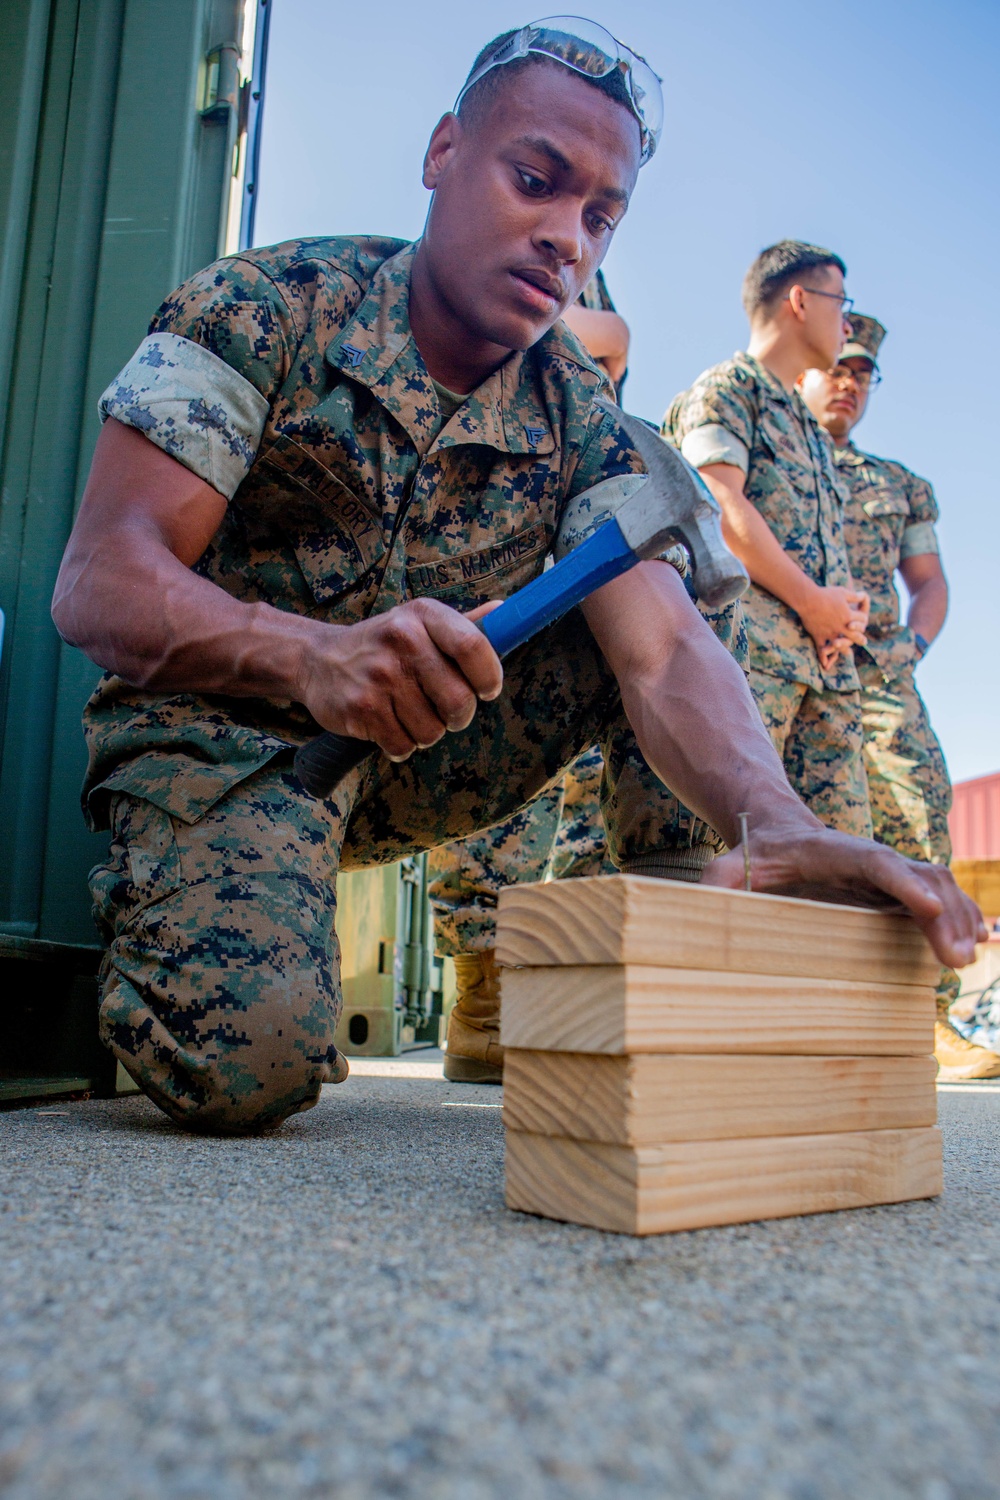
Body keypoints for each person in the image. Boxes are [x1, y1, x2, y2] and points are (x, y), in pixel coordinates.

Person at [51, 20, 982, 1136]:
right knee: (244, 1065)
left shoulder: (584, 421)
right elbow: (100, 580)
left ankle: (679, 958)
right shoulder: (264, 308)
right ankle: (192, 899)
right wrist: (313, 656)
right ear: (444, 152)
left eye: (599, 215)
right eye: (535, 181)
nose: (565, 238)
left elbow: (663, 650)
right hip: (235, 744)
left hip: (419, 749)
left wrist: (770, 817)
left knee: (667, 570)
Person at [428, 272, 744, 1085]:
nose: (570, 230)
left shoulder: (580, 277)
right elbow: (596, 336)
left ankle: (666, 957)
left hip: (591, 525)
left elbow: (603, 341)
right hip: (477, 526)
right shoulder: (479, 270)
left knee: (678, 646)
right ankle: (485, 985)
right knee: (474, 697)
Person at [800, 316, 1000, 1081]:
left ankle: (927, 1018)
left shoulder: (897, 482)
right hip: (785, 662)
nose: (848, 381)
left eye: (864, 373)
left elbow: (930, 582)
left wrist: (911, 646)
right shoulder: (772, 446)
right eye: (838, 365)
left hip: (877, 678)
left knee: (915, 817)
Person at [663, 241, 873, 839]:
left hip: (823, 674)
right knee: (731, 850)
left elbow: (817, 542)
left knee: (847, 870)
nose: (848, 324)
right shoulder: (729, 389)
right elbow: (720, 507)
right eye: (842, 304)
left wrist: (839, 613)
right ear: (800, 300)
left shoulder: (808, 426)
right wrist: (812, 602)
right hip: (753, 665)